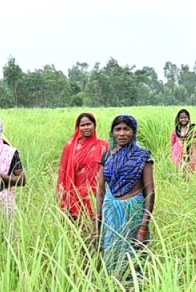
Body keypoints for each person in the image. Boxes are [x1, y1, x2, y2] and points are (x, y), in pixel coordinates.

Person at [96, 114, 155, 279]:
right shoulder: (107, 156)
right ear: (112, 132)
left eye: (126, 129)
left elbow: (150, 191)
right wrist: (97, 227)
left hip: (133, 212)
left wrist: (144, 226)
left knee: (133, 256)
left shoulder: (143, 156)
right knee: (111, 254)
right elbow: (100, 191)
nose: (122, 133)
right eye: (118, 129)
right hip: (111, 213)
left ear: (134, 132)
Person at [58, 112, 109, 224]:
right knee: (77, 227)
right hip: (75, 195)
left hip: (97, 194)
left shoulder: (104, 146)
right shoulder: (70, 147)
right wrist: (62, 195)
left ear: (94, 125)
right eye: (82, 125)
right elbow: (63, 171)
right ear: (78, 127)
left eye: (88, 124)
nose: (86, 127)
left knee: (97, 226)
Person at [170, 108, 196, 173]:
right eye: (181, 118)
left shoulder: (193, 129)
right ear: (178, 119)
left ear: (188, 118)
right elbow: (172, 143)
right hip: (178, 154)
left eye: (185, 117)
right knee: (179, 171)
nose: (183, 119)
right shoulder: (175, 131)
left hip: (190, 153)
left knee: (190, 171)